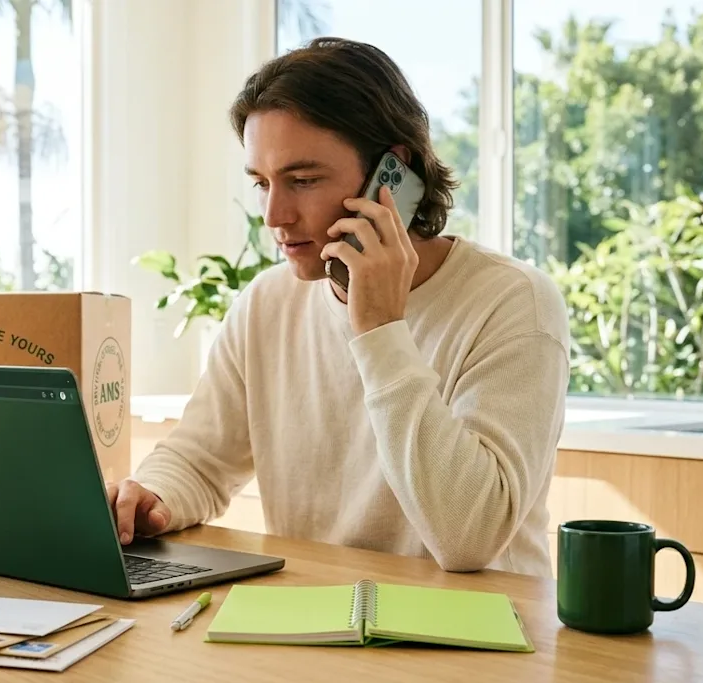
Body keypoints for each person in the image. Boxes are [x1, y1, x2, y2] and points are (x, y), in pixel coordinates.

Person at [107, 37, 572, 577]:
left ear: (391, 176)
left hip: (480, 637)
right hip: (318, 622)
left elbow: (468, 538)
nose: (274, 215)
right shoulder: (266, 303)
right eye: (262, 183)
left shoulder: (514, 302)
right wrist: (151, 497)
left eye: (303, 180)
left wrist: (379, 328)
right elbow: (200, 460)